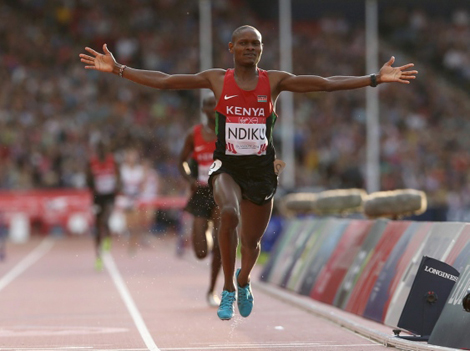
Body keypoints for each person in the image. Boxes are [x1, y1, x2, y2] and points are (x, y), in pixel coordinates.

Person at [79, 24, 417, 320]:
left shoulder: (274, 82)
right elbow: (167, 82)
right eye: (244, 43)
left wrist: (374, 79)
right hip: (227, 166)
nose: (250, 48)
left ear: (261, 50)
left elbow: (326, 83)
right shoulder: (217, 79)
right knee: (227, 212)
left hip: (261, 171)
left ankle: (243, 281)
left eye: (256, 43)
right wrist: (119, 69)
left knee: (251, 242)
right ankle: (226, 289)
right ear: (231, 48)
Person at [178, 94, 222, 308]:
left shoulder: (228, 132)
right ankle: (209, 234)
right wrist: (190, 179)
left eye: (214, 105)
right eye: (207, 105)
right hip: (202, 192)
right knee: (201, 252)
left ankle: (212, 290)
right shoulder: (193, 135)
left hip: (223, 191)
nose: (211, 109)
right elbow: (181, 162)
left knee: (222, 243)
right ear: (203, 110)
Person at [86, 140, 120, 270]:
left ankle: (108, 239)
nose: (101, 153)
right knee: (97, 225)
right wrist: (92, 185)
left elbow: (119, 175)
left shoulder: (112, 161)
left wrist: (117, 186)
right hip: (97, 197)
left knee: (106, 218)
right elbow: (88, 178)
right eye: (99, 150)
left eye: (103, 150)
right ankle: (98, 257)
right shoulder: (92, 163)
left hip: (109, 196)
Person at [117, 147, 146, 256]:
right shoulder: (122, 169)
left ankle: (132, 245)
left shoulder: (139, 170)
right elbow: (118, 185)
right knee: (126, 224)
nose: (132, 158)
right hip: (124, 199)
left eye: (134, 156)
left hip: (135, 199)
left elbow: (142, 186)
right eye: (130, 156)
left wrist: (138, 192)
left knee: (135, 224)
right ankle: (125, 239)